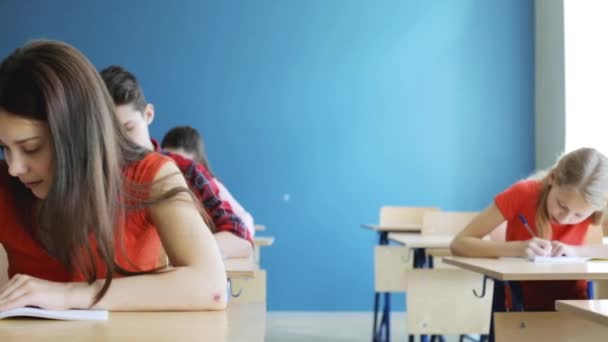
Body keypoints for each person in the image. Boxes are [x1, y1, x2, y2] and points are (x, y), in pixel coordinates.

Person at [0, 40, 226, 311]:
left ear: (77, 135)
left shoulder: (150, 175)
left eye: (31, 148)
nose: (14, 168)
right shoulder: (6, 184)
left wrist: (68, 296)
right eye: (4, 148)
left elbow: (209, 286)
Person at [99, 66, 252, 258]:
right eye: (110, 135)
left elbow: (240, 238)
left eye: (128, 129)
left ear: (148, 114)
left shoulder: (185, 170)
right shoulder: (95, 176)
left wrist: (180, 251)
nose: (121, 144)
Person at [450, 147, 608, 311]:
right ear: (552, 178)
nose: (564, 218)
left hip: (575, 307)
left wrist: (575, 251)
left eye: (578, 215)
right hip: (521, 308)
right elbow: (459, 244)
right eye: (561, 205)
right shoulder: (522, 193)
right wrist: (518, 248)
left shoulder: (598, 204)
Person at [162, 125, 255, 237]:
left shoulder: (210, 185)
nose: (178, 169)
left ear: (197, 163)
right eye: (172, 161)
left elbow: (245, 222)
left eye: (185, 164)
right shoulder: (159, 183)